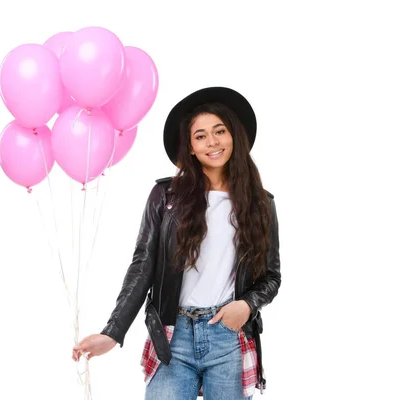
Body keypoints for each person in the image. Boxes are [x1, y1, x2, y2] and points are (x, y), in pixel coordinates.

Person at [72, 86, 281, 399]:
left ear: (233, 136)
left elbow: (271, 276)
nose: (212, 142)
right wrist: (112, 333)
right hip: (173, 336)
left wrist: (246, 305)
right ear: (191, 148)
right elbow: (143, 267)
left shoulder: (260, 203)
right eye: (200, 136)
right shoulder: (166, 197)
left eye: (219, 131)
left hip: (228, 334)